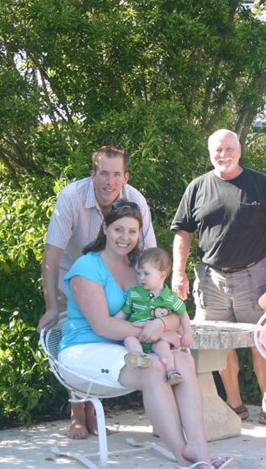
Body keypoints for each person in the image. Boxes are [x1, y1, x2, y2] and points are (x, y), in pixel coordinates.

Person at [57, 203, 231, 469]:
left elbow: (170, 307)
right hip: (84, 350)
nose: (124, 237)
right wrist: (153, 329)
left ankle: (201, 451)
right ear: (105, 228)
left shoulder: (140, 267)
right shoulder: (87, 267)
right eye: (118, 229)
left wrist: (162, 324)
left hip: (127, 349)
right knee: (152, 369)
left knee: (183, 362)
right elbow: (103, 326)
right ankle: (186, 461)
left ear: (139, 234)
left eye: (132, 231)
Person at [171, 128, 266, 428]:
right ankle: (235, 404)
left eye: (229, 148)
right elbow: (183, 233)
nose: (223, 155)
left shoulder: (259, 184)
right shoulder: (197, 187)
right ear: (210, 153)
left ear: (239, 150)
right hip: (211, 280)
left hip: (257, 278)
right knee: (219, 343)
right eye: (217, 150)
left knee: (261, 342)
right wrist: (178, 272)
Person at [37, 145, 156, 439]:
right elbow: (51, 256)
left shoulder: (135, 200)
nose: (109, 181)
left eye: (116, 174)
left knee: (105, 335)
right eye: (103, 173)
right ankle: (79, 412)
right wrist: (51, 307)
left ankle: (95, 409)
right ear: (93, 174)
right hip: (74, 270)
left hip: (114, 274)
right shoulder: (71, 197)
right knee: (77, 334)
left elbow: (149, 255)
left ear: (125, 177)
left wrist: (155, 301)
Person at [115, 247, 193, 386]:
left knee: (163, 347)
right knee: (128, 339)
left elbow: (183, 314)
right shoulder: (134, 293)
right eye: (139, 273)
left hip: (159, 337)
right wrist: (112, 322)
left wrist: (187, 333)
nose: (141, 278)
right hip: (137, 335)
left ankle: (171, 371)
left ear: (162, 276)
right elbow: (124, 312)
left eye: (146, 273)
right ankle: (140, 357)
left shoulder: (170, 298)